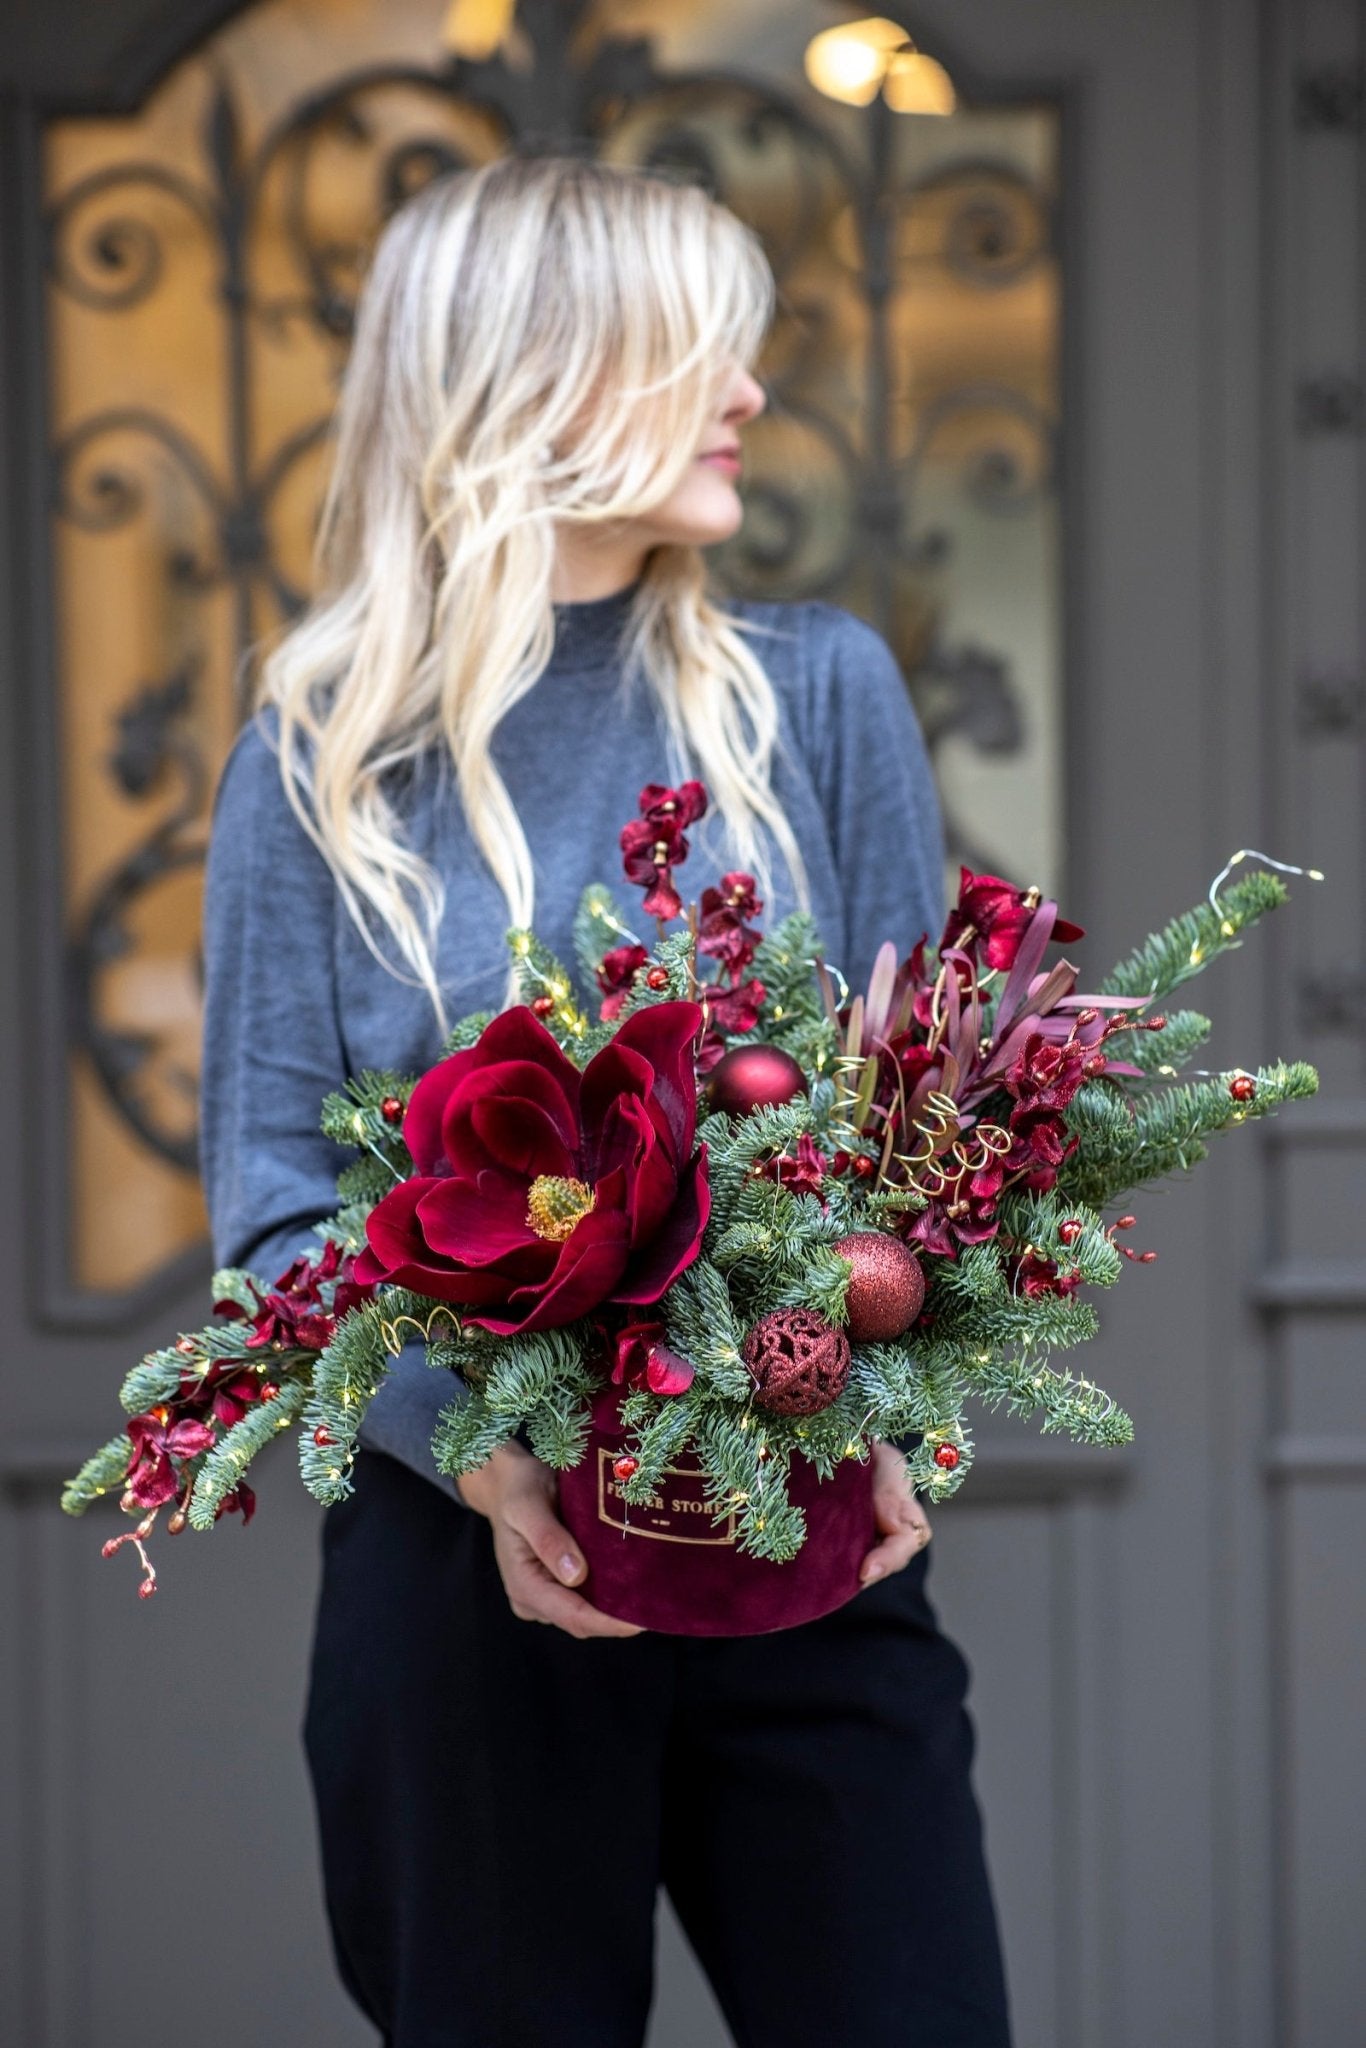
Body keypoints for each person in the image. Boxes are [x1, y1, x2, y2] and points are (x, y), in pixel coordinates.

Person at [199, 153, 1012, 2048]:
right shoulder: (318, 770)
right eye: (700, 347)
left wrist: (897, 1409)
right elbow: (268, 1211)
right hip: (464, 1585)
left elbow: (923, 1137)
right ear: (539, 377)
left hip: (808, 1559)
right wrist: (487, 1466)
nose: (750, 387)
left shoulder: (816, 692)